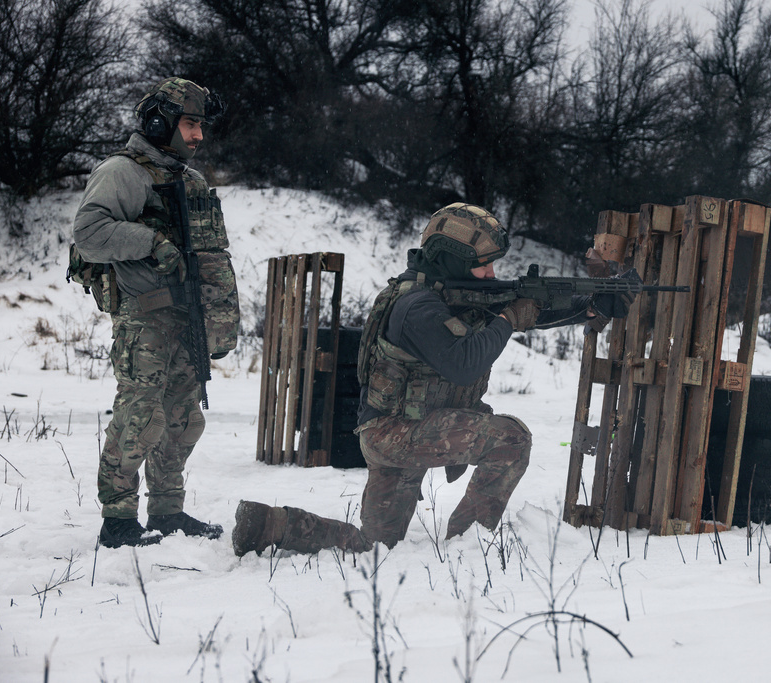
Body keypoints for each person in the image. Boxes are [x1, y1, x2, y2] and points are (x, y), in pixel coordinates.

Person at [232, 203, 638, 556]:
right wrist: (509, 318)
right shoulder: (416, 306)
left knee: (374, 546)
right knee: (511, 439)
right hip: (396, 433)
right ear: (453, 259)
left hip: (401, 430)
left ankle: (272, 526)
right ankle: (468, 545)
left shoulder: (451, 291)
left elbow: (527, 310)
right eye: (483, 264)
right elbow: (463, 362)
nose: (491, 273)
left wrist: (590, 306)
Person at [73, 77, 239, 548]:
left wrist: (220, 315)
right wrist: (150, 242)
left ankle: (167, 510)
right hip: (145, 318)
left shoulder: (189, 180)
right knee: (140, 416)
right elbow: (88, 232)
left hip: (188, 320)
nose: (198, 136)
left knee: (184, 418)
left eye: (201, 126)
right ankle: (118, 519)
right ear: (158, 122)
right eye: (189, 124)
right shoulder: (123, 172)